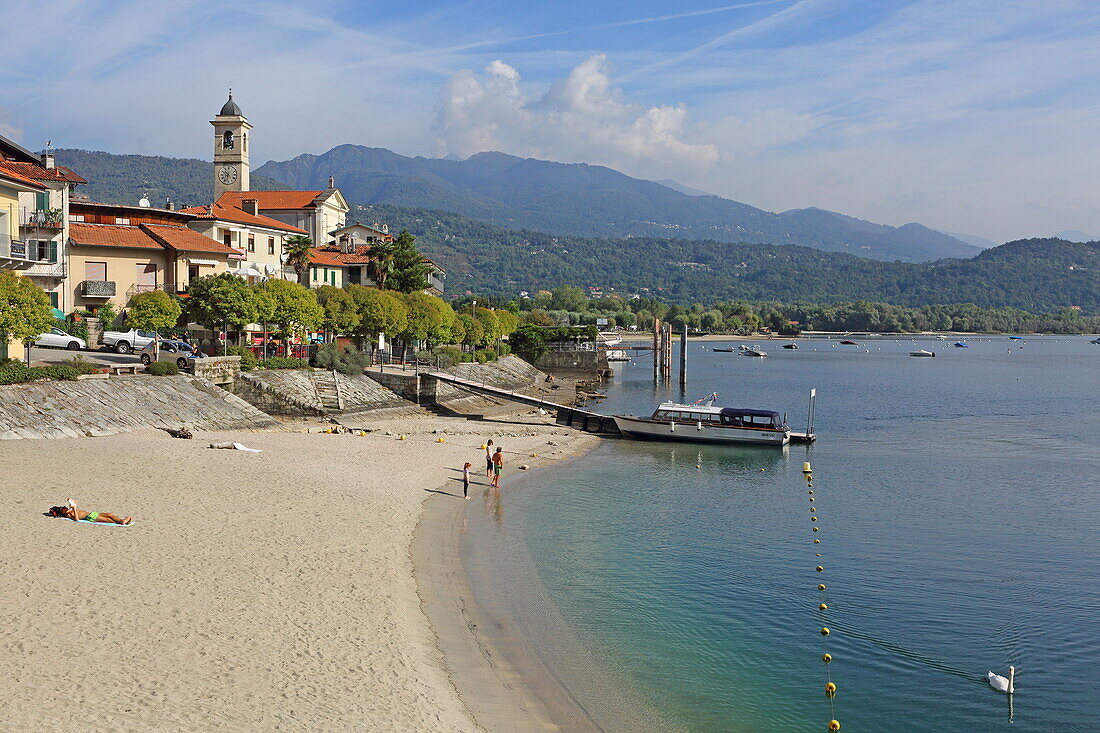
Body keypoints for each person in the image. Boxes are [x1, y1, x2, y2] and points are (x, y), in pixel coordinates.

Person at [47, 498, 131, 525]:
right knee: (108, 520)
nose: (63, 506)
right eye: (62, 507)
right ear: (61, 512)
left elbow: (74, 501)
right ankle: (122, 521)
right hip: (90, 517)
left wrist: (71, 502)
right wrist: (75, 509)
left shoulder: (69, 510)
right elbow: (76, 519)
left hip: (92, 513)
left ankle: (121, 521)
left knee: (109, 514)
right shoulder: (68, 514)